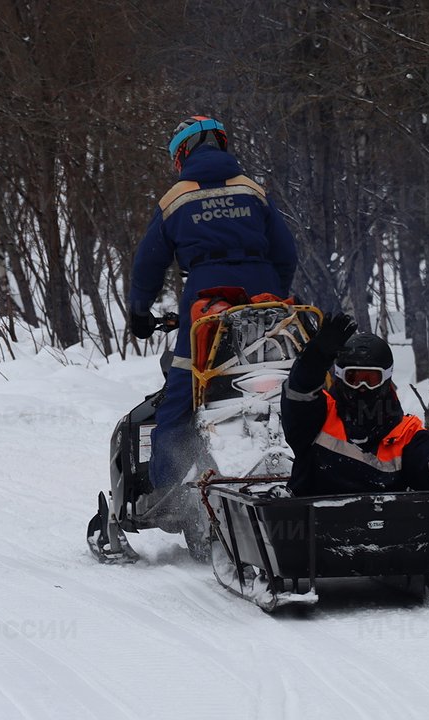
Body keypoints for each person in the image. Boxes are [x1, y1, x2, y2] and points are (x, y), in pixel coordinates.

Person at [129, 115, 298, 502]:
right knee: (289, 381)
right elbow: (286, 253)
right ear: (221, 145)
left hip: (206, 302)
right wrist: (270, 298)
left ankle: (165, 488)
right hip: (265, 302)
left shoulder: (176, 198)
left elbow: (149, 264)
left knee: (183, 393)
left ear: (182, 154)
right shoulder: (252, 190)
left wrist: (140, 311)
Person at [280, 312, 429, 496]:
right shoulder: (319, 415)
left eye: (371, 379)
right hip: (312, 528)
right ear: (340, 377)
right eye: (353, 378)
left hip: (384, 531)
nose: (362, 387)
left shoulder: (403, 433)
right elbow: (298, 394)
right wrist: (313, 360)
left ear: (386, 379)